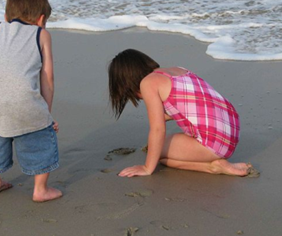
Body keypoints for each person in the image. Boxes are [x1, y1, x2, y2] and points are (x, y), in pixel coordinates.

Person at [108, 49, 259, 178]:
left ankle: (213, 167)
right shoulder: (177, 70)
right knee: (158, 148)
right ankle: (212, 159)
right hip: (231, 132)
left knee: (156, 153)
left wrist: (147, 168)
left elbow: (157, 129)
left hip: (215, 143)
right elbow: (186, 109)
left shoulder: (148, 83)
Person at [0, 0, 62, 202]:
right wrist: (46, 115)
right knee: (38, 139)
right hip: (24, 103)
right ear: (42, 19)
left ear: (6, 16)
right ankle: (40, 189)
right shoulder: (41, 35)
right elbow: (48, 79)